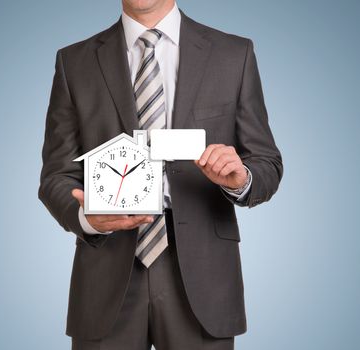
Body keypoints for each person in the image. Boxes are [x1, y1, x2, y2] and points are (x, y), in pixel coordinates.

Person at [38, 1, 283, 349]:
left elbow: (266, 163)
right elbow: (55, 176)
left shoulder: (233, 54)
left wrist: (241, 178)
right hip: (105, 273)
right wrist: (87, 217)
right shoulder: (74, 62)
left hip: (203, 275)